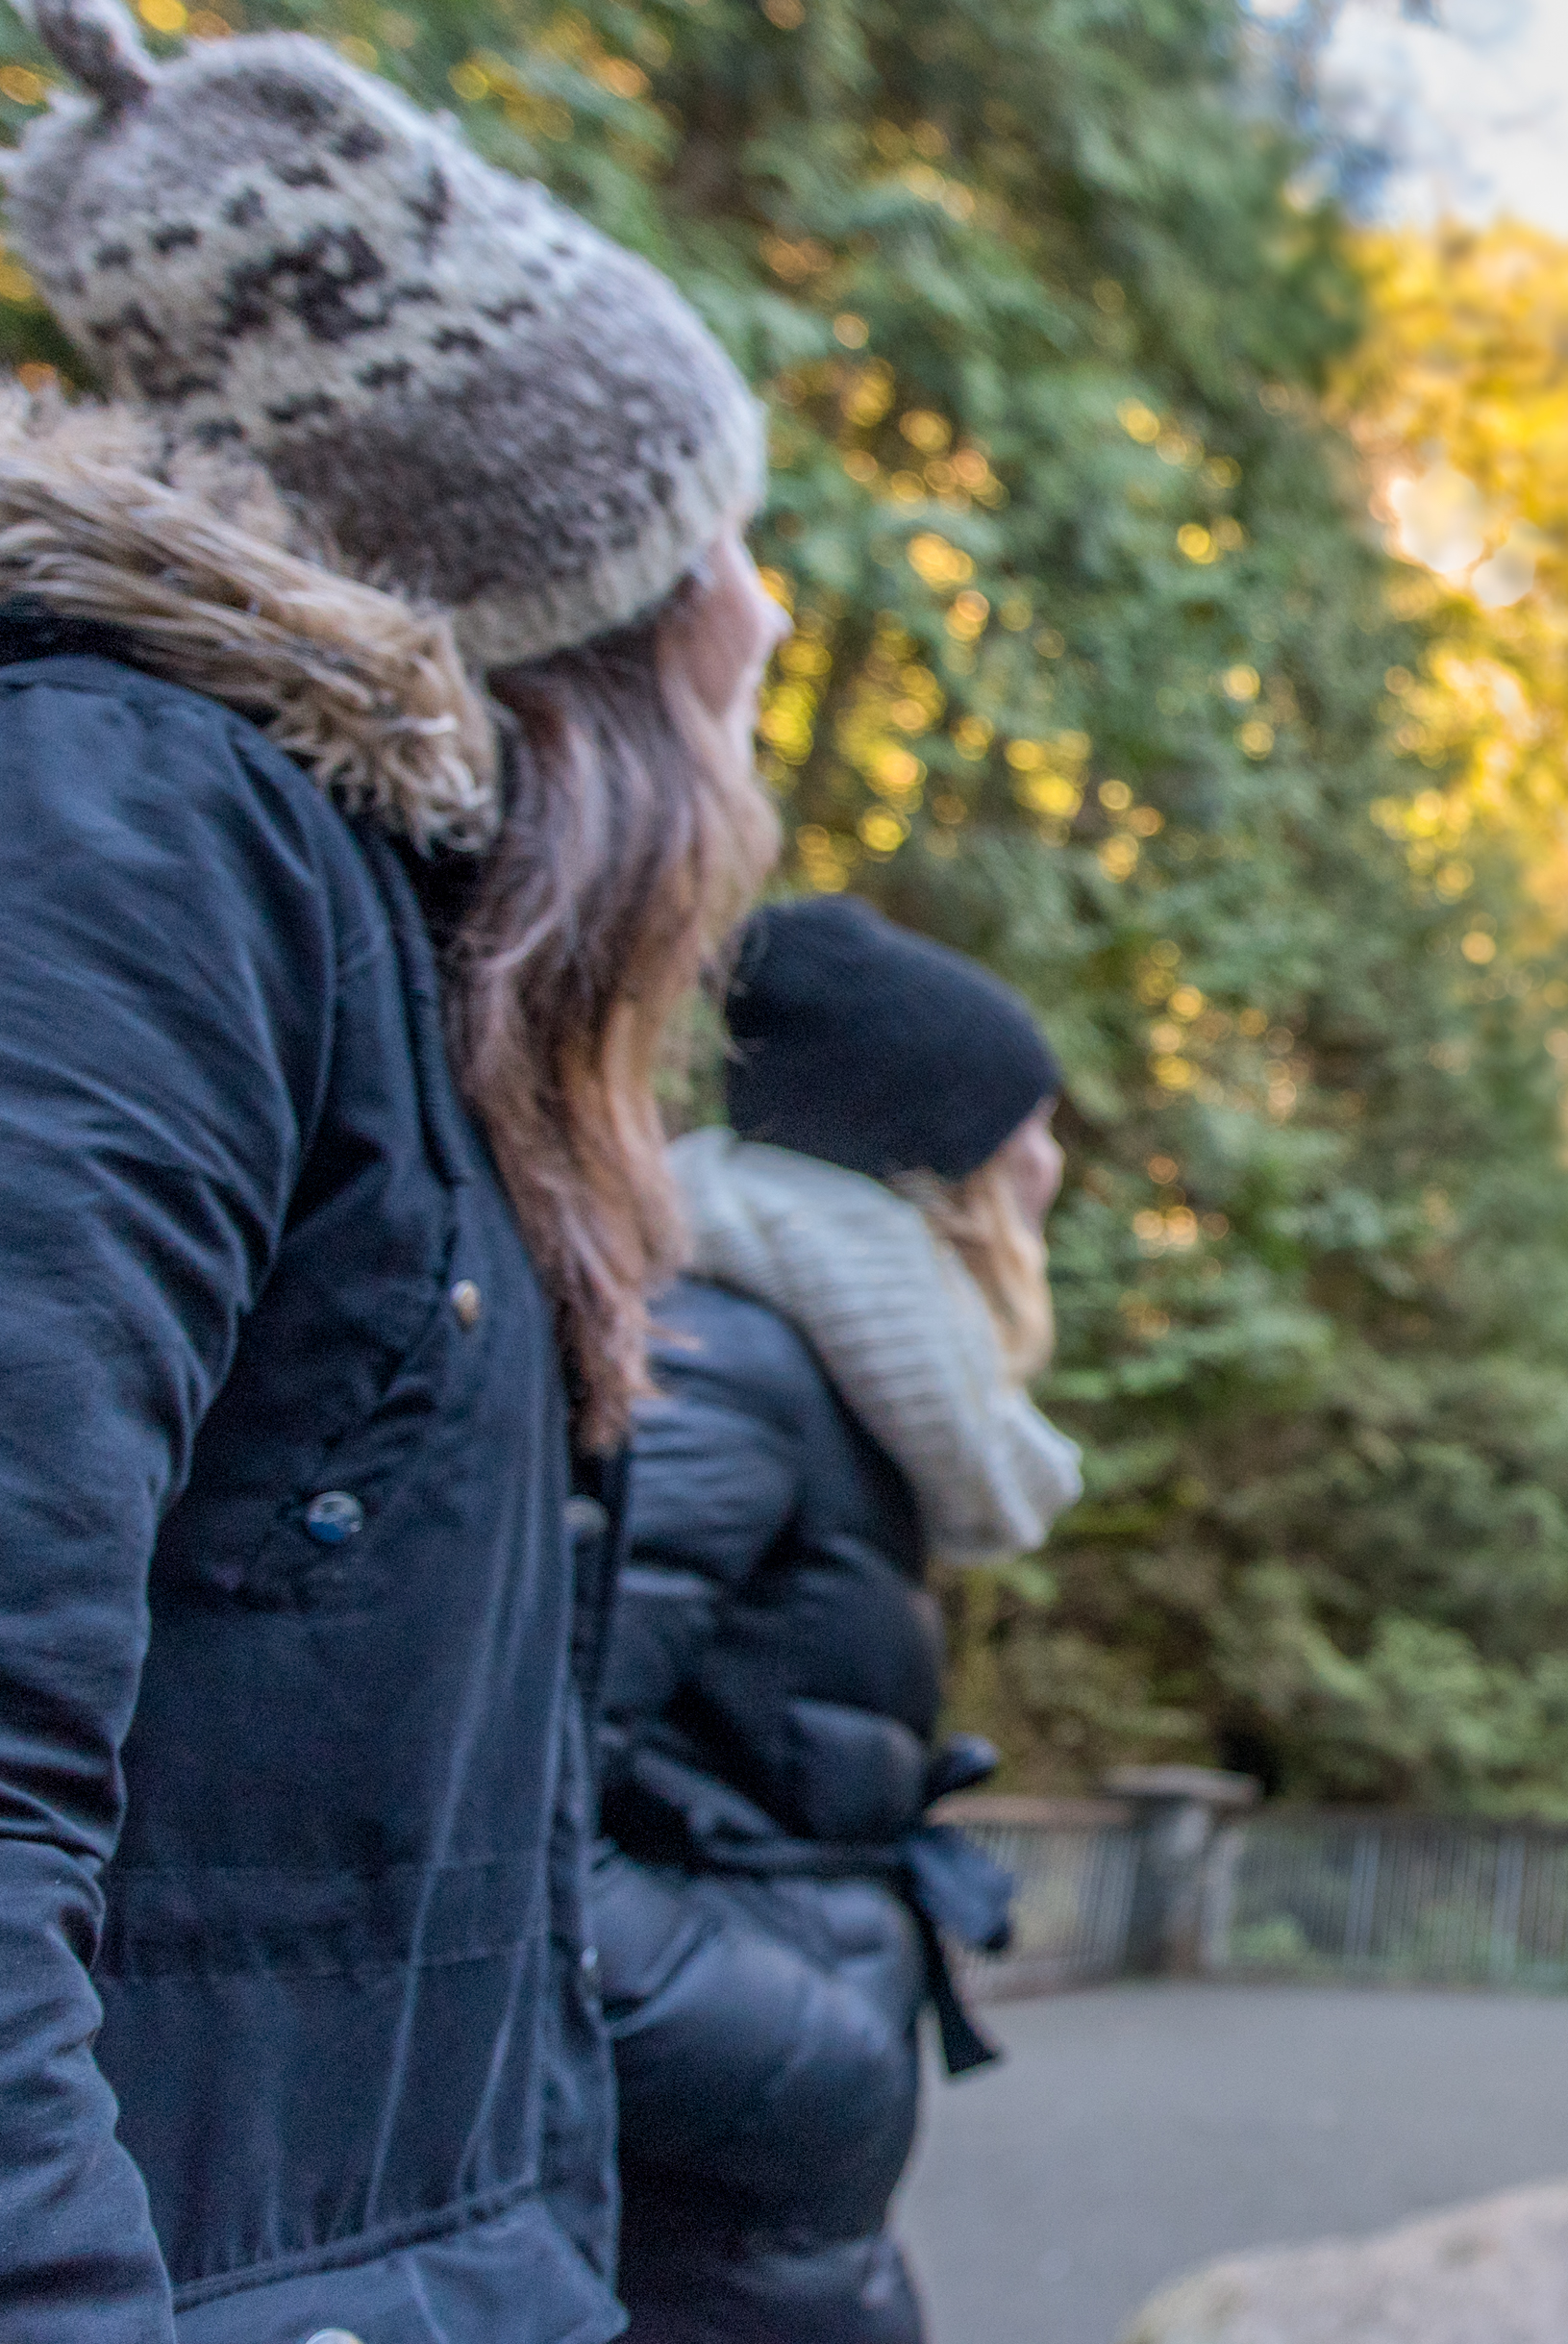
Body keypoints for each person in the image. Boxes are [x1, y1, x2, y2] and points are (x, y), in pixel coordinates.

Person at [0, 0, 783, 2337]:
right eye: (716, 547)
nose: (766, 608)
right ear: (585, 636)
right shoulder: (70, 832)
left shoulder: (378, 975)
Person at [593, 895, 1084, 2341]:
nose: (1054, 1165)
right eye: (1031, 1126)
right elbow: (490, 1813)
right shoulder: (731, 1372)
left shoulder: (822, 1380)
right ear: (942, 1169)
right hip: (707, 2178)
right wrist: (810, 2051)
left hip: (744, 2195)